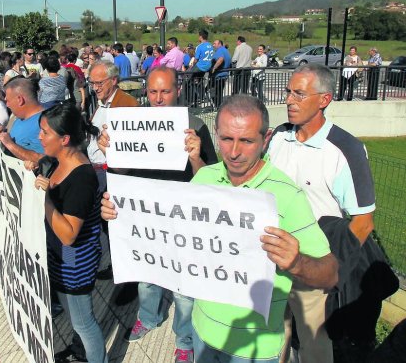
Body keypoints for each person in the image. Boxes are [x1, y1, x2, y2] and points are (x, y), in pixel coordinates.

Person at [101, 94, 338, 363]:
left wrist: (296, 262)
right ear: (216, 134)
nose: (234, 152)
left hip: (254, 349)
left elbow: (329, 274)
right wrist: (121, 213)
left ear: (266, 138)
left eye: (246, 141)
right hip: (201, 333)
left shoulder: (287, 195)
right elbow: (168, 230)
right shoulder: (205, 177)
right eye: (226, 139)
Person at [97, 66, 218, 363]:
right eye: (153, 91)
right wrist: (111, 152)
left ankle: (185, 339)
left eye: (165, 91)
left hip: (184, 220)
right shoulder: (131, 123)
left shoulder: (195, 125)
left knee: (185, 289)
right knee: (147, 276)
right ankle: (149, 316)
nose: (159, 98)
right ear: (145, 92)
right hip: (146, 220)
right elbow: (123, 172)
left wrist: (196, 156)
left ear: (177, 90)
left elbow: (212, 180)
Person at [267, 63, 376, 363]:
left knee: (315, 344)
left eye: (299, 94)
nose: (288, 100)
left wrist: (332, 270)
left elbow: (363, 222)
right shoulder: (278, 137)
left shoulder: (346, 149)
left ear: (324, 100)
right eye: (289, 92)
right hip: (273, 258)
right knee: (275, 334)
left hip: (314, 266)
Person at [30, 103, 108, 363]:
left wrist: (45, 199)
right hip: (59, 259)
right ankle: (80, 353)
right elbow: (32, 159)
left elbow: (68, 235)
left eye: (44, 133)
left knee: (84, 323)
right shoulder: (56, 161)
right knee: (76, 319)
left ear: (64, 139)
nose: (39, 137)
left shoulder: (82, 177)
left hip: (74, 263)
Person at [86, 61, 138, 281]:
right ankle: (118, 265)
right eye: (92, 83)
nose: (95, 87)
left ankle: (128, 274)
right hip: (97, 170)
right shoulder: (103, 102)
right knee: (106, 226)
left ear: (114, 80)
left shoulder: (126, 104)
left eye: (99, 83)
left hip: (113, 173)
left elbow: (131, 147)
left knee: (117, 226)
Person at [0, 77, 44, 163]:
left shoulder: (44, 123)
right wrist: (2, 133)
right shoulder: (19, 117)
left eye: (8, 100)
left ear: (20, 100)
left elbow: (44, 160)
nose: (7, 105)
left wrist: (10, 144)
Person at [209, 39, 232, 109]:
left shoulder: (220, 50)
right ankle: (218, 106)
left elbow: (221, 59)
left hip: (219, 75)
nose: (213, 45)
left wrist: (214, 68)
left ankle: (217, 107)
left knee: (216, 92)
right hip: (224, 75)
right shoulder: (226, 50)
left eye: (214, 44)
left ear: (219, 44)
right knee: (219, 92)